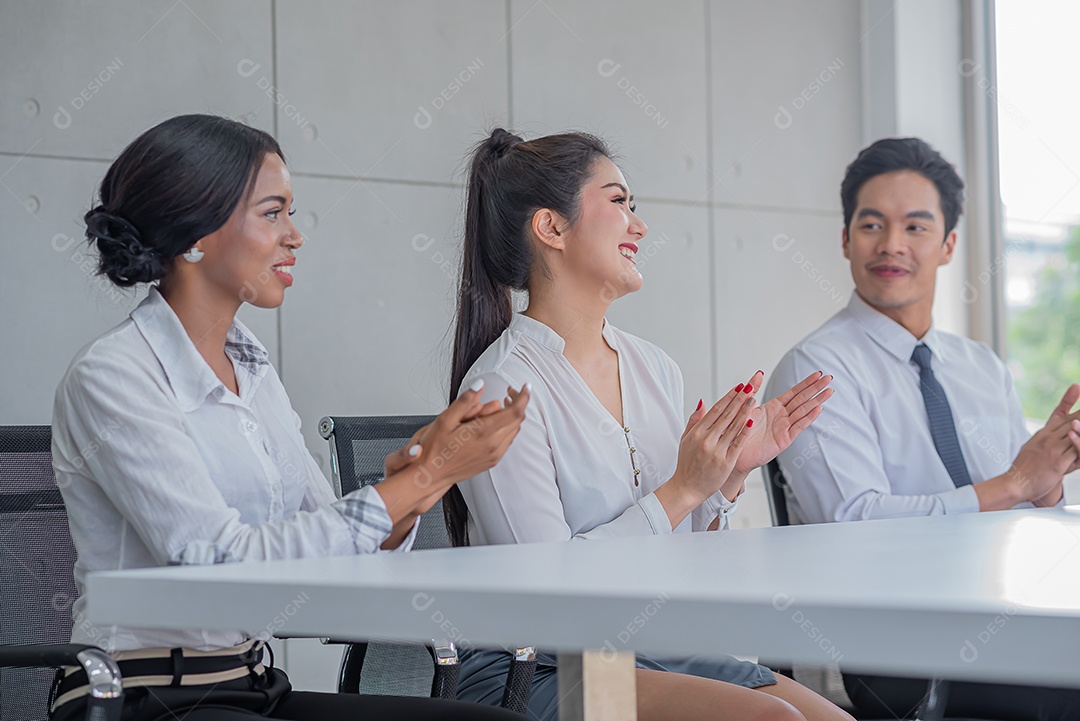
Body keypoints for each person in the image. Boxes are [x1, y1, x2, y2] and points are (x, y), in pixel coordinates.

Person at [50, 114, 529, 721]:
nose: (295, 235)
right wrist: (420, 480)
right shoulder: (112, 377)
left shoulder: (252, 367)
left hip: (249, 686)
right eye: (272, 213)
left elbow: (321, 549)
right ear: (195, 231)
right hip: (141, 697)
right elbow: (215, 565)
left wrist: (415, 482)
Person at [444, 128, 847, 721]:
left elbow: (685, 563)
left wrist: (726, 478)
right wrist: (682, 488)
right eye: (618, 202)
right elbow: (552, 599)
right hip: (543, 668)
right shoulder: (497, 391)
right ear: (551, 228)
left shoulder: (654, 367)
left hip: (656, 650)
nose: (639, 225)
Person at [767, 137, 1080, 720]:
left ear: (948, 245)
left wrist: (1049, 484)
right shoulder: (816, 369)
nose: (891, 246)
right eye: (871, 225)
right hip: (902, 644)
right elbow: (852, 522)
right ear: (844, 239)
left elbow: (1028, 514)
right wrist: (1014, 483)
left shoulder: (982, 367)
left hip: (1012, 610)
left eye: (915, 227)